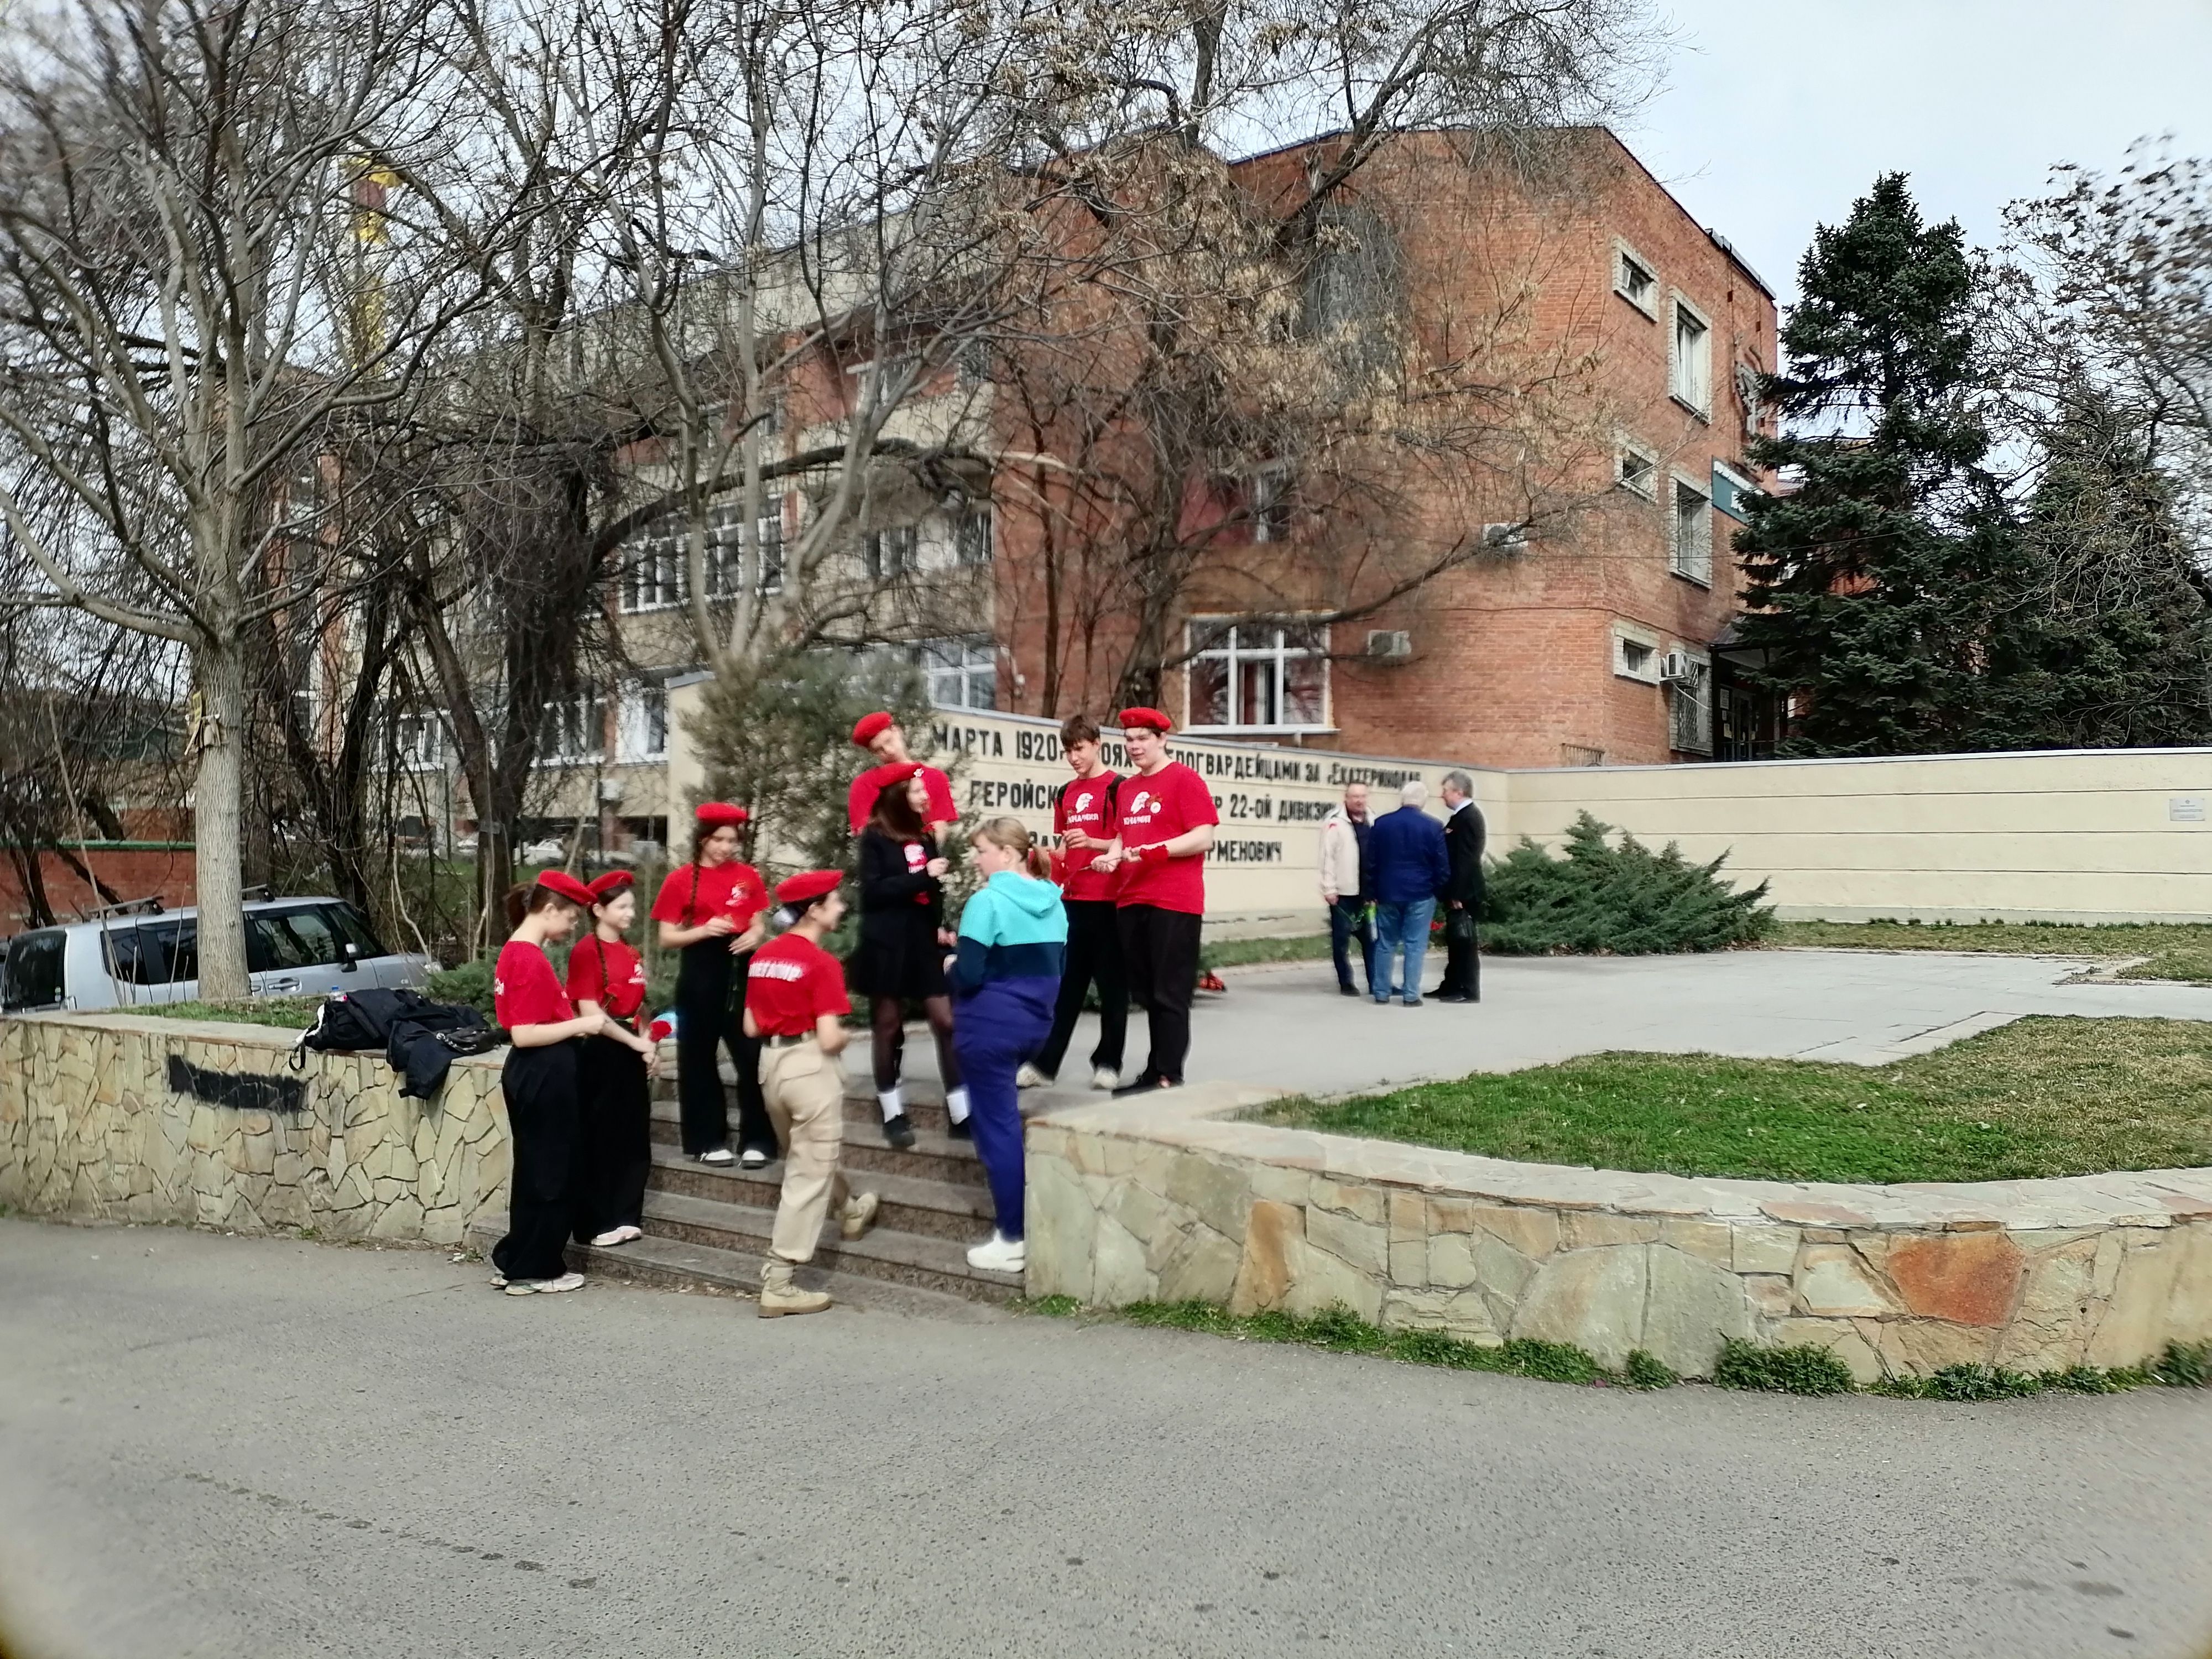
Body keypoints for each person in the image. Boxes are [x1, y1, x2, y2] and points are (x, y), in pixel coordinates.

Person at [743, 870, 881, 1318]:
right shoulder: (823, 964)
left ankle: (850, 1210)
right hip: (810, 1069)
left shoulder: (763, 956)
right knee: (807, 1173)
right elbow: (828, 1038)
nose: (842, 907)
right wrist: (848, 1036)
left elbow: (750, 1026)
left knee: (808, 1156)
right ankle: (779, 1281)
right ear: (815, 910)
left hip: (772, 1068)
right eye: (835, 901)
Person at [950, 818, 1067, 1274]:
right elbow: (1058, 968)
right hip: (1034, 1025)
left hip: (989, 1027)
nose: (976, 860)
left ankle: (1012, 1237)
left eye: (981, 850)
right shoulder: (1054, 901)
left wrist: (950, 963)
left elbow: (969, 975)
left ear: (1008, 853)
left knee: (997, 1130)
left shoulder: (986, 902)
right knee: (1004, 1127)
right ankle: (1019, 1227)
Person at [489, 870, 607, 1297]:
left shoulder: (517, 951)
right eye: (572, 917)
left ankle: (518, 1259)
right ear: (551, 909)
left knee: (535, 1168)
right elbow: (524, 1033)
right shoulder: (528, 958)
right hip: (542, 1069)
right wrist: (583, 1024)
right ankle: (537, 1268)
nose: (573, 927)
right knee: (552, 1171)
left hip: (535, 1071)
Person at [1091, 707, 1217, 1094]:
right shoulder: (1127, 788)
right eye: (1129, 740)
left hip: (1173, 900)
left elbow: (1204, 836)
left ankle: (1166, 1072)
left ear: (1163, 739)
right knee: (1145, 991)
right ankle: (1155, 1068)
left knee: (1169, 991)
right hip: (1132, 898)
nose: (1135, 746)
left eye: (1143, 738)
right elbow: (1123, 835)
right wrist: (1112, 856)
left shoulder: (1184, 779)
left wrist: (1157, 851)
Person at [649, 804, 773, 1168]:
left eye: (732, 841)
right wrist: (703, 930)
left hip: (740, 967)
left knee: (750, 1054)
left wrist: (755, 934)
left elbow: (758, 921)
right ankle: (707, 1140)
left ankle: (758, 1138)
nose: (726, 847)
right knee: (698, 1058)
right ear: (703, 839)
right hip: (701, 967)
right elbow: (666, 937)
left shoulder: (748, 876)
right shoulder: (681, 880)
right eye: (719, 840)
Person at [853, 766, 968, 1148]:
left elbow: (932, 893)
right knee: (887, 1026)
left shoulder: (925, 835)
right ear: (899, 795)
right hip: (887, 944)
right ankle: (892, 1113)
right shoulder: (874, 837)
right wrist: (923, 877)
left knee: (946, 1022)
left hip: (922, 943)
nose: (925, 797)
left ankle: (960, 1113)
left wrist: (940, 925)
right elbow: (872, 893)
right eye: (918, 791)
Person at [1018, 714, 1126, 1091]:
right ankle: (1046, 1064)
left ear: (1097, 744)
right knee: (1066, 987)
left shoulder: (1118, 788)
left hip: (1110, 900)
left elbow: (1127, 841)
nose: (1074, 758)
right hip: (1073, 901)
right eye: (1068, 751)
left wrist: (1094, 844)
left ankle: (1109, 1062)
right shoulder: (1065, 793)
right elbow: (1064, 852)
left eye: (1079, 749)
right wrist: (1043, 863)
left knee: (1113, 987)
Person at [566, 870, 661, 1249]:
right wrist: (635, 1043)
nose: (629, 914)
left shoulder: (631, 951)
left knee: (634, 1136)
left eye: (631, 907)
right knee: (601, 1135)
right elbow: (591, 1011)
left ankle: (627, 1216)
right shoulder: (586, 951)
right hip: (601, 1048)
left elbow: (640, 1005)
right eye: (621, 907)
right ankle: (596, 1220)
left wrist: (648, 1043)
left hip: (630, 1046)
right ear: (598, 910)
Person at [1365, 778, 1449, 1006]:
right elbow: (1442, 865)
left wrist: (1371, 891)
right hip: (1421, 892)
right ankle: (1411, 995)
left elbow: (1370, 862)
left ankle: (1381, 992)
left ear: (1402, 799)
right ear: (1423, 801)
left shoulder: (1381, 824)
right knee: (1415, 945)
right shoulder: (1433, 826)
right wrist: (1438, 890)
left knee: (1385, 943)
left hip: (1387, 892)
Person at [845, 711, 958, 838]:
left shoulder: (935, 777)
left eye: (889, 741)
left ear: (897, 731)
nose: (889, 751)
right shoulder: (866, 784)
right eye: (879, 750)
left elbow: (939, 828)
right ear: (873, 753)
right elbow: (863, 834)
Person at [1318, 781, 1376, 999]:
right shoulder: (1335, 823)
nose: (1359, 801)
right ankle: (1346, 982)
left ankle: (1376, 982)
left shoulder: (1373, 821)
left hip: (1368, 894)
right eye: (1355, 797)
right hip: (1343, 893)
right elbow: (1327, 858)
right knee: (1342, 941)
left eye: (1362, 796)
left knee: (1372, 940)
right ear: (1346, 798)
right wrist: (1329, 888)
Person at [1437, 771, 1486, 1004]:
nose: (1442, 795)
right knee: (1456, 940)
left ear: (1459, 792)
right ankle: (1451, 985)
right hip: (1459, 889)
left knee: (1465, 941)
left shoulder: (1469, 817)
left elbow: (1466, 859)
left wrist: (1457, 894)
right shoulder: (1461, 817)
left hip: (1464, 892)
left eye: (1445, 791)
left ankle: (1468, 989)